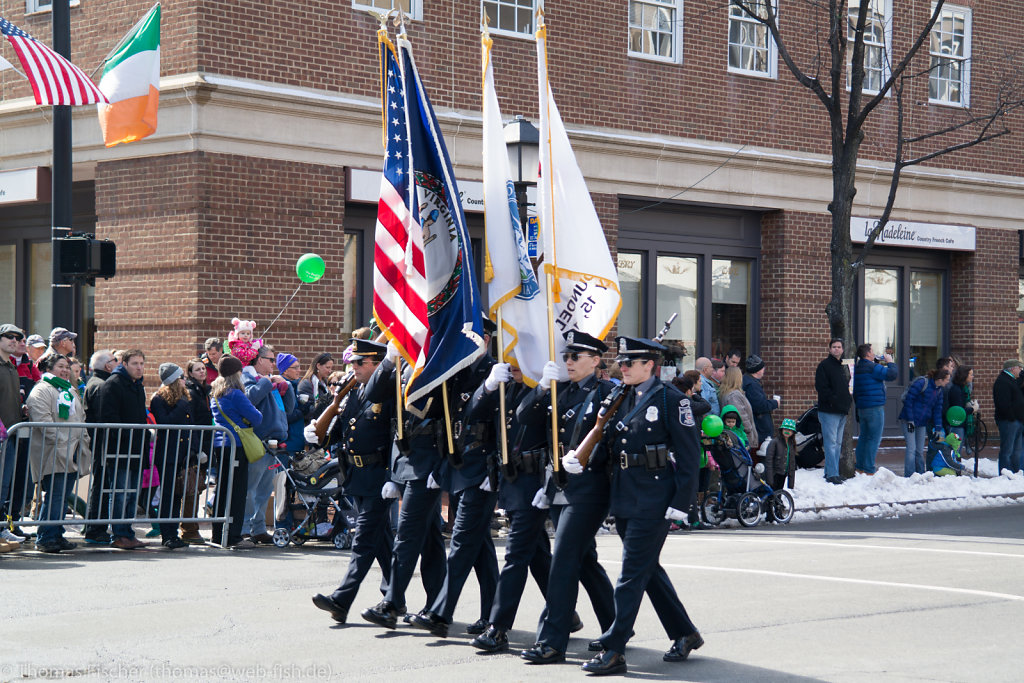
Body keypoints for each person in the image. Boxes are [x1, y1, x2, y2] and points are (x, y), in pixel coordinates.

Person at [570, 336, 703, 675]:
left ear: (650, 366)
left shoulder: (671, 399)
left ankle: (615, 649)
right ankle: (685, 632)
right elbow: (605, 439)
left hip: (656, 497)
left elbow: (689, 458)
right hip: (625, 493)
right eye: (622, 363)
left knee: (630, 575)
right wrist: (580, 457)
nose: (623, 368)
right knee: (647, 570)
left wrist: (681, 504)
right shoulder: (621, 397)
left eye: (631, 363)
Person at [520, 331, 617, 665]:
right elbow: (523, 419)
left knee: (562, 561)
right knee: (585, 562)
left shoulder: (607, 393)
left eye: (577, 357)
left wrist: (592, 456)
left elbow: (613, 438)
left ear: (595, 360)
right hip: (560, 488)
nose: (569, 362)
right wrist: (541, 389)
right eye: (567, 357)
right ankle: (616, 629)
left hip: (589, 489)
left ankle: (551, 642)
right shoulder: (560, 391)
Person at [409, 321, 501, 639]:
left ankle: (439, 612)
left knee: (461, 543)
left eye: (471, 338)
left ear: (486, 340)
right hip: (460, 466)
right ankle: (493, 614)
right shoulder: (458, 371)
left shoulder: (495, 372)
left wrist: (497, 470)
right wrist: (441, 468)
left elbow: (504, 426)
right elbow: (446, 423)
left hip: (483, 469)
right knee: (481, 547)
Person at [466, 362, 553, 653]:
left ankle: (498, 627)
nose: (514, 364)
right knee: (539, 557)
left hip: (538, 482)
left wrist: (542, 388)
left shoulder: (547, 389)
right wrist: (488, 387)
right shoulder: (506, 389)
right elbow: (473, 414)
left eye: (520, 360)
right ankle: (571, 615)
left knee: (516, 556)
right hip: (513, 484)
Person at [360, 342, 448, 629]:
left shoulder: (437, 364)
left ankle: (392, 603)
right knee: (432, 540)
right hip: (410, 463)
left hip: (429, 463)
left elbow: (448, 417)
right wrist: (387, 362)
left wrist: (441, 464)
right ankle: (438, 609)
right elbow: (373, 393)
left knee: (407, 535)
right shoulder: (403, 367)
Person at [312, 339, 396, 624]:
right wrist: (321, 429)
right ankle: (394, 600)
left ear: (377, 364)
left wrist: (393, 477)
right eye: (353, 362)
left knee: (363, 540)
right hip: (357, 477)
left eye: (360, 363)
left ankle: (342, 599)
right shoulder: (355, 392)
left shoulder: (389, 393)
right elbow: (341, 433)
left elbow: (397, 437)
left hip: (379, 477)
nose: (354, 367)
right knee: (381, 542)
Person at [26, 354, 91, 553]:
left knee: (62, 497)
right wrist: (64, 442)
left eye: (67, 367)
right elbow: (43, 423)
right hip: (53, 452)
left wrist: (82, 441)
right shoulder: (41, 390)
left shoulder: (68, 389)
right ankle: (46, 537)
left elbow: (80, 418)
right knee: (54, 496)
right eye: (60, 366)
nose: (65, 370)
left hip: (71, 451)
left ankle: (57, 533)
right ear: (48, 368)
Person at [95, 349, 150, 550]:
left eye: (142, 363)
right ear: (124, 364)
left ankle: (127, 531)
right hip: (119, 449)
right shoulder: (113, 384)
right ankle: (119, 533)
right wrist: (128, 438)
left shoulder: (138, 386)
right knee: (120, 493)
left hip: (136, 448)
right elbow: (109, 418)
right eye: (135, 363)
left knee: (132, 494)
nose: (139, 367)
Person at [241, 346, 294, 543]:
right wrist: (266, 382)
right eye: (270, 360)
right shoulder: (250, 378)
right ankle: (246, 527)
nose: (273, 364)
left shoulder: (269, 381)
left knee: (264, 490)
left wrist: (286, 388)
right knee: (251, 488)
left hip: (274, 444)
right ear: (258, 360)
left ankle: (258, 527)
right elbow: (250, 398)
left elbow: (288, 408)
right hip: (259, 441)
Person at [210, 355, 261, 548]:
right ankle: (233, 536)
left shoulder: (215, 392)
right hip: (236, 445)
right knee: (237, 492)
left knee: (222, 491)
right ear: (237, 373)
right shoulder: (236, 393)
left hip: (219, 444)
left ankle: (218, 535)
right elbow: (256, 418)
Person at [150, 363, 198, 550]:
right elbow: (165, 422)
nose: (184, 381)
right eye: (181, 378)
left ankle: (174, 534)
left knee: (177, 494)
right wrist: (181, 405)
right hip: (168, 454)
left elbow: (191, 426)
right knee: (168, 495)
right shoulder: (159, 398)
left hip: (183, 454)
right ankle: (167, 535)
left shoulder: (185, 397)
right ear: (174, 380)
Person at [81, 350, 116, 544]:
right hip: (101, 443)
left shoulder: (97, 383)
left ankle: (95, 527)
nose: (117, 363)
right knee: (101, 485)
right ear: (107, 366)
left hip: (100, 443)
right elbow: (104, 417)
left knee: (101, 484)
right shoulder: (101, 385)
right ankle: (95, 529)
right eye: (114, 361)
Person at [0, 325, 28, 545]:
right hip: (2, 434)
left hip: (12, 433)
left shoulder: (11, 366)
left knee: (5, 485)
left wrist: (22, 409)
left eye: (17, 338)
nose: (14, 340)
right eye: (9, 336)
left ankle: (2, 527)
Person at [852, 343, 896, 475]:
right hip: (874, 407)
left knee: (864, 437)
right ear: (868, 354)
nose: (874, 352)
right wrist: (890, 362)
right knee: (874, 439)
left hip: (862, 407)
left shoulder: (858, 367)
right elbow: (892, 374)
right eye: (872, 351)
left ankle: (860, 467)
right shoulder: (872, 367)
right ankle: (869, 469)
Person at [182, 358, 213, 544]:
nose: (202, 372)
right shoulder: (191, 392)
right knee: (191, 488)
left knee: (198, 487)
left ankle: (191, 527)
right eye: (197, 369)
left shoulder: (204, 391)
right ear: (190, 373)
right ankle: (188, 529)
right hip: (195, 445)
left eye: (203, 369)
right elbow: (192, 420)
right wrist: (196, 449)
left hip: (205, 443)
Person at [898, 368, 950, 477]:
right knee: (912, 449)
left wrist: (938, 428)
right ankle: (909, 476)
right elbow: (909, 400)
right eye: (947, 380)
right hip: (908, 420)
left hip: (922, 422)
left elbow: (937, 410)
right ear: (940, 379)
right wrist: (910, 420)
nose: (948, 382)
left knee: (919, 450)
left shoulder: (939, 391)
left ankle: (920, 474)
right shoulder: (922, 383)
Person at [814, 338, 850, 484]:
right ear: (829, 349)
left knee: (838, 443)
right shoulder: (824, 366)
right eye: (834, 347)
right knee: (831, 443)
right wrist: (834, 400)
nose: (836, 349)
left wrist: (847, 402)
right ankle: (832, 474)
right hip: (829, 411)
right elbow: (821, 388)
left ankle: (831, 471)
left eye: (839, 347)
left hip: (842, 411)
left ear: (842, 349)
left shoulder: (843, 366)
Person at [992, 360, 1024, 474]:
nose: (1021, 371)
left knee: (1017, 450)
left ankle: (1016, 472)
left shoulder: (1011, 381)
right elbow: (1003, 404)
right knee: (1008, 450)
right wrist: (1012, 417)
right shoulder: (1002, 382)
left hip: (1017, 421)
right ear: (1012, 368)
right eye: (1019, 368)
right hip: (1009, 421)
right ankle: (1005, 472)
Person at [743, 355, 778, 451]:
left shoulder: (748, 382)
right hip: (759, 429)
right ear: (758, 370)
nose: (764, 370)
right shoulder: (752, 385)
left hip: (757, 427)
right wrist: (775, 403)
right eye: (763, 367)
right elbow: (760, 406)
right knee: (760, 457)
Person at [717, 367, 757, 448]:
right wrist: (749, 429)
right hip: (740, 437)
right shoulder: (734, 395)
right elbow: (741, 415)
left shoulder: (726, 393)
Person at [947, 366, 978, 452]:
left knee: (957, 450)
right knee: (955, 451)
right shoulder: (956, 390)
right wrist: (972, 409)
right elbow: (959, 412)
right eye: (971, 374)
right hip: (956, 425)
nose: (973, 376)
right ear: (964, 376)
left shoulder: (962, 389)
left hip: (960, 424)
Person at [297, 352, 335, 420]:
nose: (330, 371)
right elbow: (307, 410)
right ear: (318, 366)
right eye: (327, 367)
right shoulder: (306, 384)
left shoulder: (325, 383)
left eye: (331, 368)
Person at [763, 418, 797, 490]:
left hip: (783, 473)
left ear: (793, 432)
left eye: (790, 430)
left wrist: (791, 481)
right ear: (781, 430)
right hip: (774, 473)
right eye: (785, 429)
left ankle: (778, 500)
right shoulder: (774, 442)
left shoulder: (791, 444)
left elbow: (792, 462)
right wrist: (770, 478)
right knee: (772, 492)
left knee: (779, 491)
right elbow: (769, 460)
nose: (787, 431)